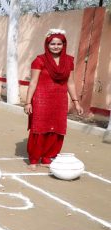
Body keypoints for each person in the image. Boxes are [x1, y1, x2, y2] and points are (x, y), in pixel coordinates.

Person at [23, 29, 83, 170]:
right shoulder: (39, 61)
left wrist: (76, 102)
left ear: (64, 44)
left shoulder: (69, 61)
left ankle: (47, 157)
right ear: (47, 44)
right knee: (39, 129)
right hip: (41, 99)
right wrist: (27, 102)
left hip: (60, 100)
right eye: (52, 44)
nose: (56, 46)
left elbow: (71, 83)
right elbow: (33, 82)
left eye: (59, 44)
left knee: (57, 129)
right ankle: (34, 159)